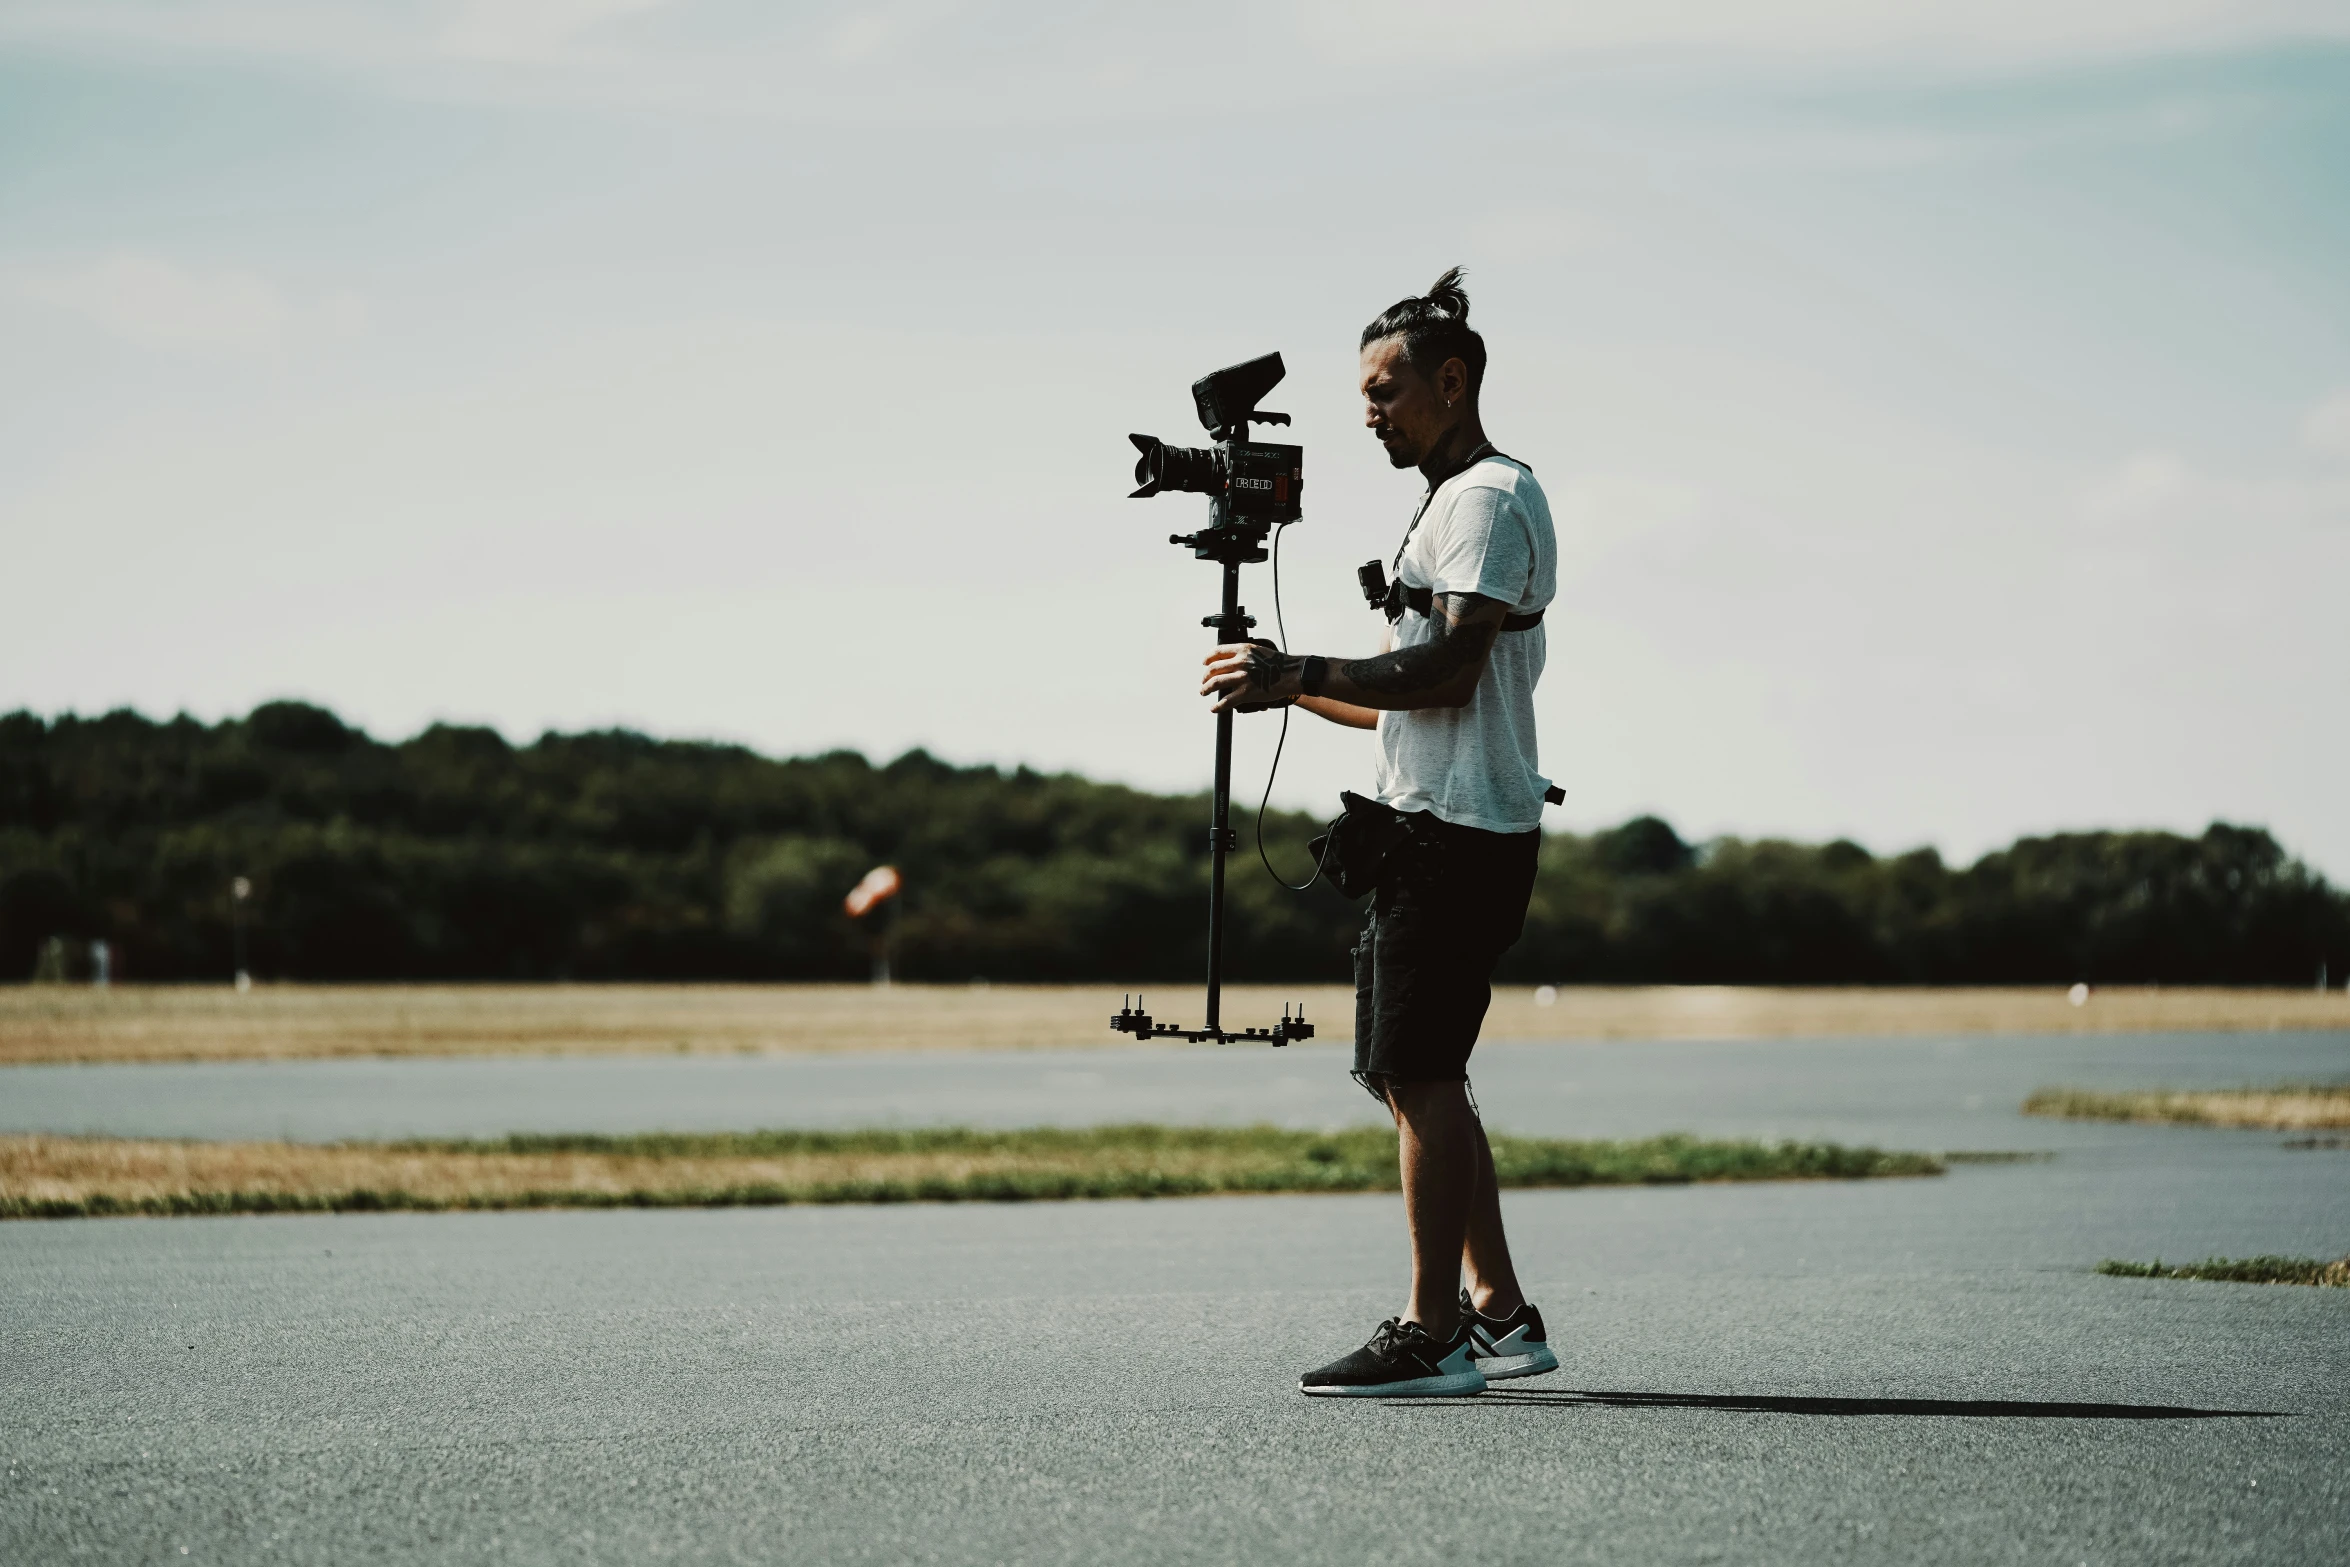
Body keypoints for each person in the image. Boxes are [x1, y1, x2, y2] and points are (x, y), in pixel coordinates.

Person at [1199, 267, 1560, 1398]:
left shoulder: (1487, 499)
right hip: (1431, 827)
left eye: (1384, 390)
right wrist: (1285, 688)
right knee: (1423, 1075)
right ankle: (1497, 1315)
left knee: (1416, 1072)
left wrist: (1299, 663)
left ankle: (1431, 1330)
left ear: (1451, 383)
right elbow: (1405, 692)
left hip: (1456, 838)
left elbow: (1448, 672)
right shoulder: (1453, 499)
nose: (1366, 412)